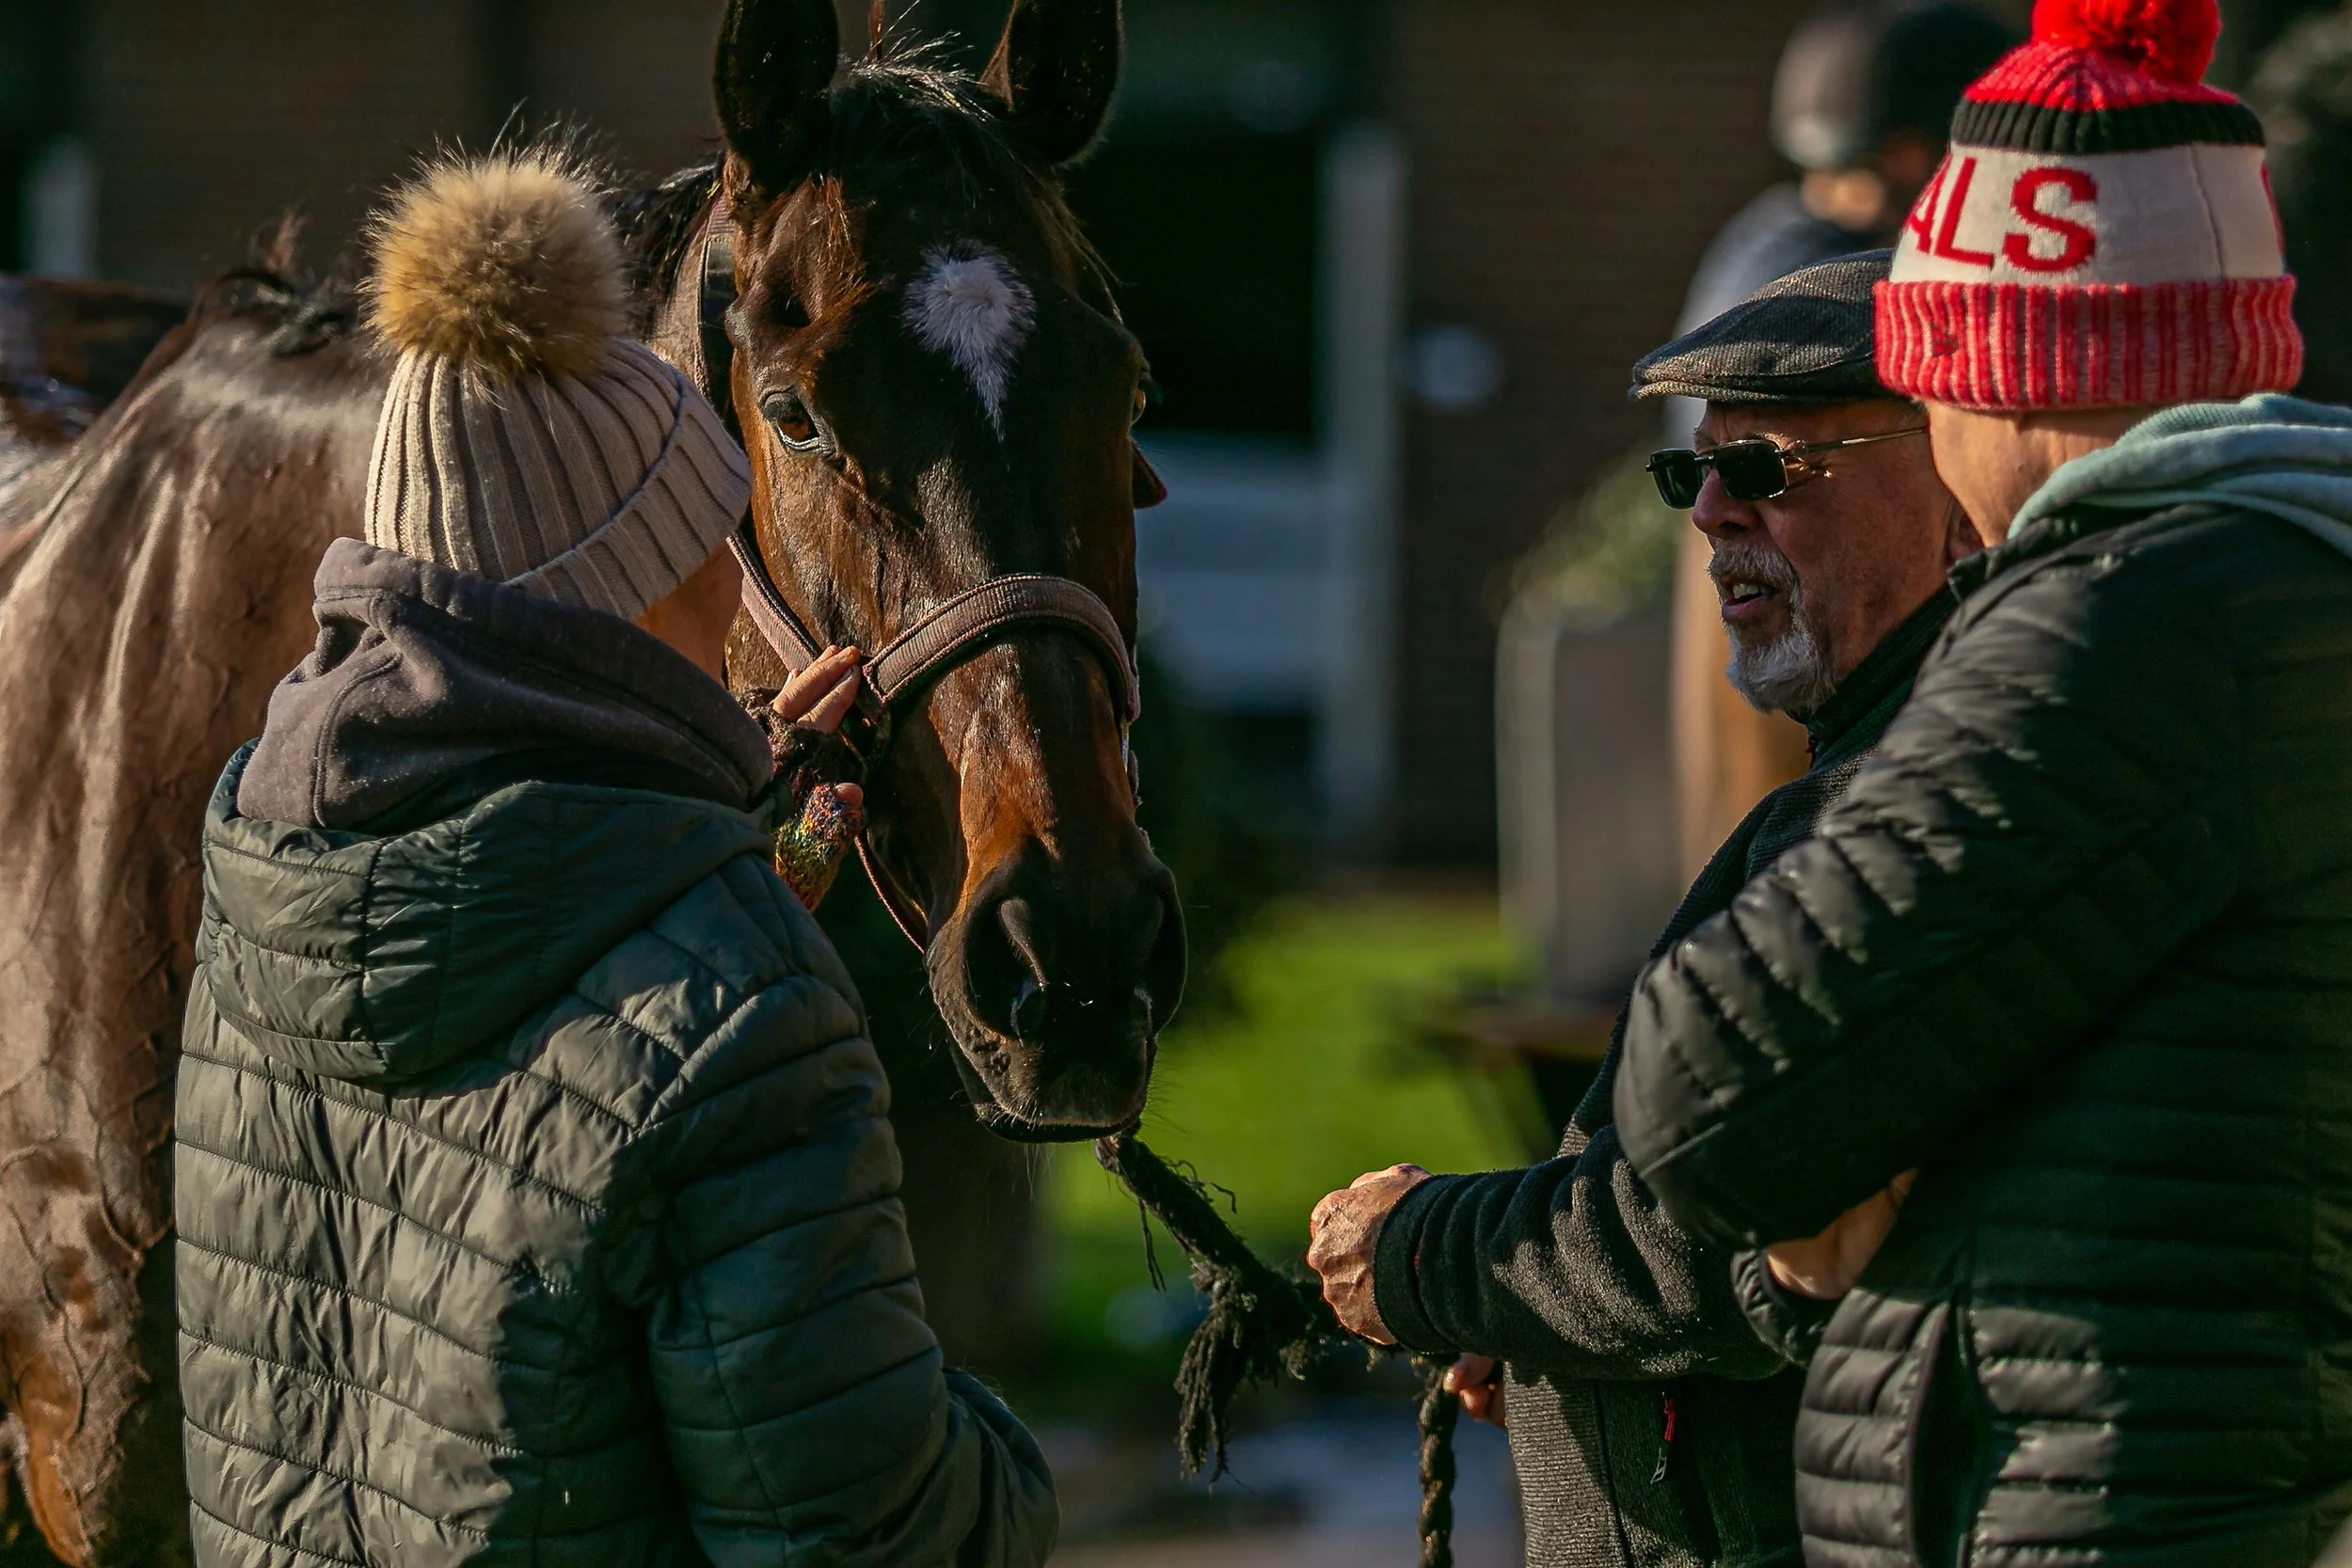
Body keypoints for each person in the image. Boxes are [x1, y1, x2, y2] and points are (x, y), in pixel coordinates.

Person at [171, 151, 1057, 1566]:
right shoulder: (747, 1019)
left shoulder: (269, 880)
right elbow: (872, 1534)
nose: (734, 575)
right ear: (618, 591)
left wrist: (744, 824)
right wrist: (1001, 1460)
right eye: (700, 530)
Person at [1611, 0, 2352, 1562]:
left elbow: (1705, 1087)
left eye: (1931, 379)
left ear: (2010, 377)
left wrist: (1869, 1138)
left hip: (2077, 1501)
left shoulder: (2119, 624)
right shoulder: (2285, 595)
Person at [1304, 251, 1982, 1568]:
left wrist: (1437, 1252)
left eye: (1773, 467)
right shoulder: (1877, 768)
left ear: (1963, 484)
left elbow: (1735, 1229)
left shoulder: (1910, 799)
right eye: (1693, 470)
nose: (1712, 513)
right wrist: (1550, 1321)